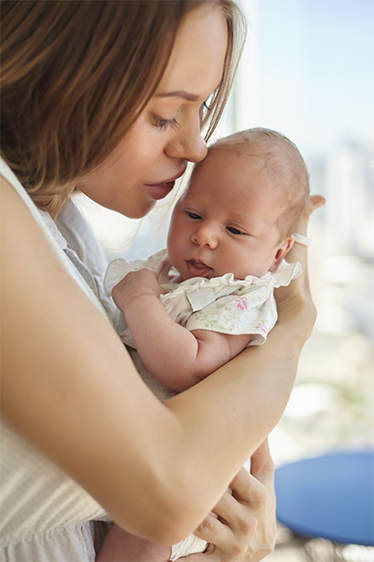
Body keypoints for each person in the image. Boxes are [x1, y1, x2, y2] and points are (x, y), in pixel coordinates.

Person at [0, 2, 324, 562]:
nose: (196, 148)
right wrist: (295, 326)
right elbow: (169, 492)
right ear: (61, 73)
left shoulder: (61, 225)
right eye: (165, 115)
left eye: (201, 110)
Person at [98, 127, 310, 561]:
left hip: (200, 484)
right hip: (157, 457)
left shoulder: (239, 300)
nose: (205, 236)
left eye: (234, 229)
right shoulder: (177, 279)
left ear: (277, 254)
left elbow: (189, 364)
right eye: (193, 214)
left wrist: (140, 302)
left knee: (148, 523)